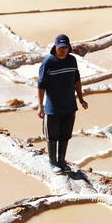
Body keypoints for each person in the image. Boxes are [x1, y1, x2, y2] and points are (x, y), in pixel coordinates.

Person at [37, 34, 88, 174]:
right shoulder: (48, 62)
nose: (63, 50)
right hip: (53, 108)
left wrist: (81, 99)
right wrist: (40, 107)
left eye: (65, 47)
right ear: (55, 47)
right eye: (60, 48)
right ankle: (53, 163)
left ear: (68, 47)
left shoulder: (72, 60)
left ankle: (62, 161)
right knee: (52, 136)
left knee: (65, 135)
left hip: (69, 106)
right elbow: (41, 86)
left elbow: (77, 80)